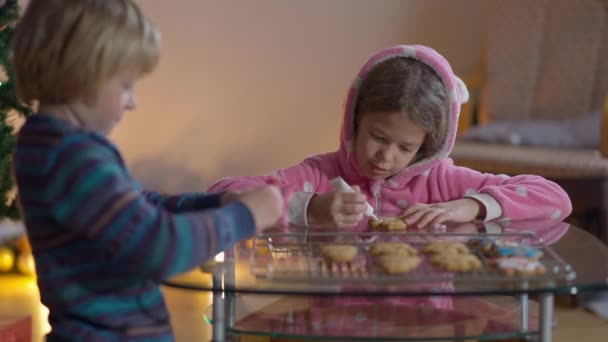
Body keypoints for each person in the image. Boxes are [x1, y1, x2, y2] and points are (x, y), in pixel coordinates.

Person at [11, 0, 283, 340]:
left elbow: (137, 208)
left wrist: (215, 203)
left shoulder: (48, 146)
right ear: (83, 71)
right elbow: (159, 247)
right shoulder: (73, 157)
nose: (132, 102)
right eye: (126, 84)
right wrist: (246, 216)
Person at [209, 44, 572, 230]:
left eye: (405, 147)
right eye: (378, 137)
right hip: (337, 324)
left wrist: (470, 205)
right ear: (354, 123)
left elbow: (556, 199)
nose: (386, 157)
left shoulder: (444, 182)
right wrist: (309, 207)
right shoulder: (321, 175)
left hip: (428, 326)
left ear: (429, 145)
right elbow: (219, 193)